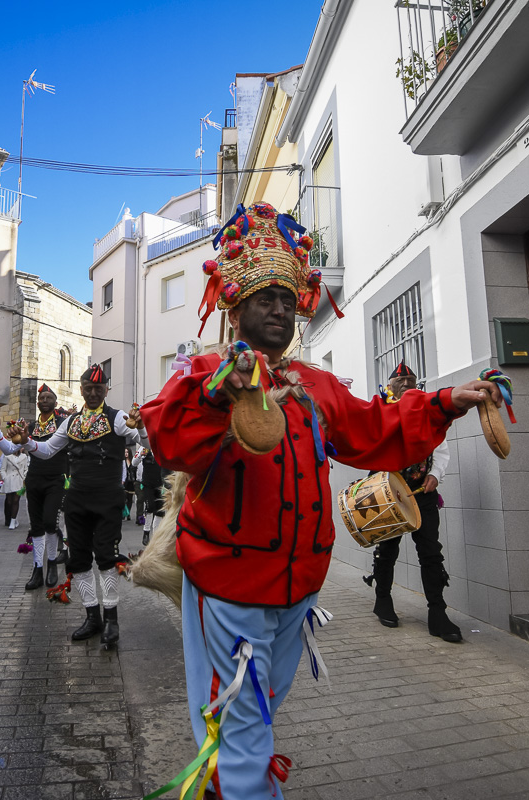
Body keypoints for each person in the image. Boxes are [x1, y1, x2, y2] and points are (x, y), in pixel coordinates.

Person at [139, 202, 501, 797]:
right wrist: (215, 397)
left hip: (299, 589)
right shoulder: (205, 372)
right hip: (228, 585)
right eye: (265, 298)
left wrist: (443, 403)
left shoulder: (317, 386)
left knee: (253, 718)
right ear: (235, 307)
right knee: (243, 727)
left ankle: (223, 783)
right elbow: (167, 437)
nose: (281, 308)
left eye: (288, 298)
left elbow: (372, 429)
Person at [6, 365, 146, 644]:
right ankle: (92, 617)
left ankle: (111, 620)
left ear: (107, 389)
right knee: (79, 559)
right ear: (81, 390)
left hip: (107, 499)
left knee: (106, 557)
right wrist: (28, 442)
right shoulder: (69, 423)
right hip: (77, 499)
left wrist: (141, 427)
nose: (93, 393)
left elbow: (146, 445)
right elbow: (47, 451)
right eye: (88, 389)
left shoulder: (118, 419)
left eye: (99, 389)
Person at [364, 362, 462, 642]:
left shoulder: (427, 410)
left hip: (422, 493)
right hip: (387, 493)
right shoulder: (381, 410)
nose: (406, 384)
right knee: (388, 549)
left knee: (431, 552)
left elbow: (440, 449)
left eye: (410, 379)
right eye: (400, 380)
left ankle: (437, 612)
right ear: (390, 385)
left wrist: (434, 475)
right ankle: (382, 599)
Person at [0, 383, 69, 590]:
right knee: (37, 527)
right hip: (34, 481)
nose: (44, 401)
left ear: (55, 402)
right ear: (37, 403)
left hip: (55, 480)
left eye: (48, 398)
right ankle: (37, 569)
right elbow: (9, 449)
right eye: (41, 399)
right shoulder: (29, 427)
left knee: (50, 522)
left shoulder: (62, 424)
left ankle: (51, 564)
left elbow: (51, 450)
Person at [133, 444, 165, 546]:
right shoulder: (144, 448)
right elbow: (134, 463)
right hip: (148, 484)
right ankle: (146, 532)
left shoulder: (162, 446)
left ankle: (156, 536)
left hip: (160, 483)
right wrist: (141, 455)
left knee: (160, 511)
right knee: (150, 507)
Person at [0, 448, 29, 529]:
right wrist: (5, 478)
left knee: (16, 500)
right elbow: (3, 469)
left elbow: (26, 469)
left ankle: (12, 520)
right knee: (9, 501)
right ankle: (14, 520)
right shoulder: (7, 456)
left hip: (19, 480)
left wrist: (23, 477)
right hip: (9, 481)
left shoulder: (24, 457)